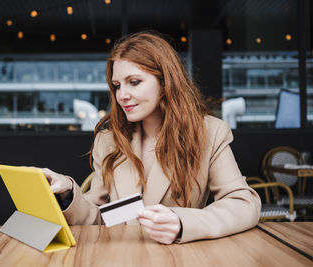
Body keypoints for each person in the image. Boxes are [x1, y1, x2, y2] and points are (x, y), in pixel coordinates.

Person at [41, 31, 261, 244]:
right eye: (117, 85)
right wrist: (69, 194)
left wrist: (183, 223)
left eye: (134, 82)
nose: (122, 95)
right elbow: (100, 217)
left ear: (165, 82)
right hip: (121, 259)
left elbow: (243, 204)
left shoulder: (210, 133)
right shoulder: (108, 140)